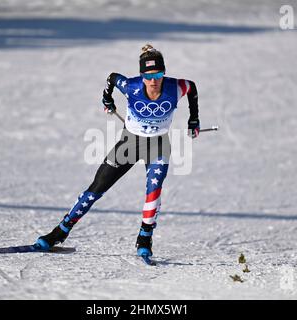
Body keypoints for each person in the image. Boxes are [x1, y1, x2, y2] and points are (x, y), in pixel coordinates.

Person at [35, 44, 200, 258]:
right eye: (148, 76)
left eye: (158, 74)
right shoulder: (130, 86)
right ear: (141, 75)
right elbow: (112, 78)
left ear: (164, 73)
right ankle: (59, 232)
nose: (153, 81)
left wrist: (193, 119)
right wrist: (107, 99)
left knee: (154, 189)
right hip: (130, 143)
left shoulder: (175, 87)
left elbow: (192, 87)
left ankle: (144, 238)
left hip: (158, 144)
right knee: (96, 189)